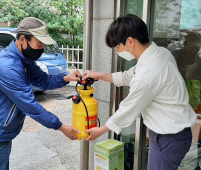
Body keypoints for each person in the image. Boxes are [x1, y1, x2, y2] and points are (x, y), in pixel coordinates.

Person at [82, 14, 197, 170]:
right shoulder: (159, 54)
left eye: (117, 47)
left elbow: (128, 108)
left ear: (130, 41)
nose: (117, 51)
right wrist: (98, 75)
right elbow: (128, 76)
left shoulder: (149, 73)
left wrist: (101, 130)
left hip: (169, 137)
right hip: (171, 133)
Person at [0, 17, 81, 170]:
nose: (41, 48)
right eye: (38, 43)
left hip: (1, 131)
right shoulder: (7, 67)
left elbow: (43, 80)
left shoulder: (23, 60)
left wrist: (65, 78)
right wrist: (61, 126)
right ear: (22, 39)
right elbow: (30, 106)